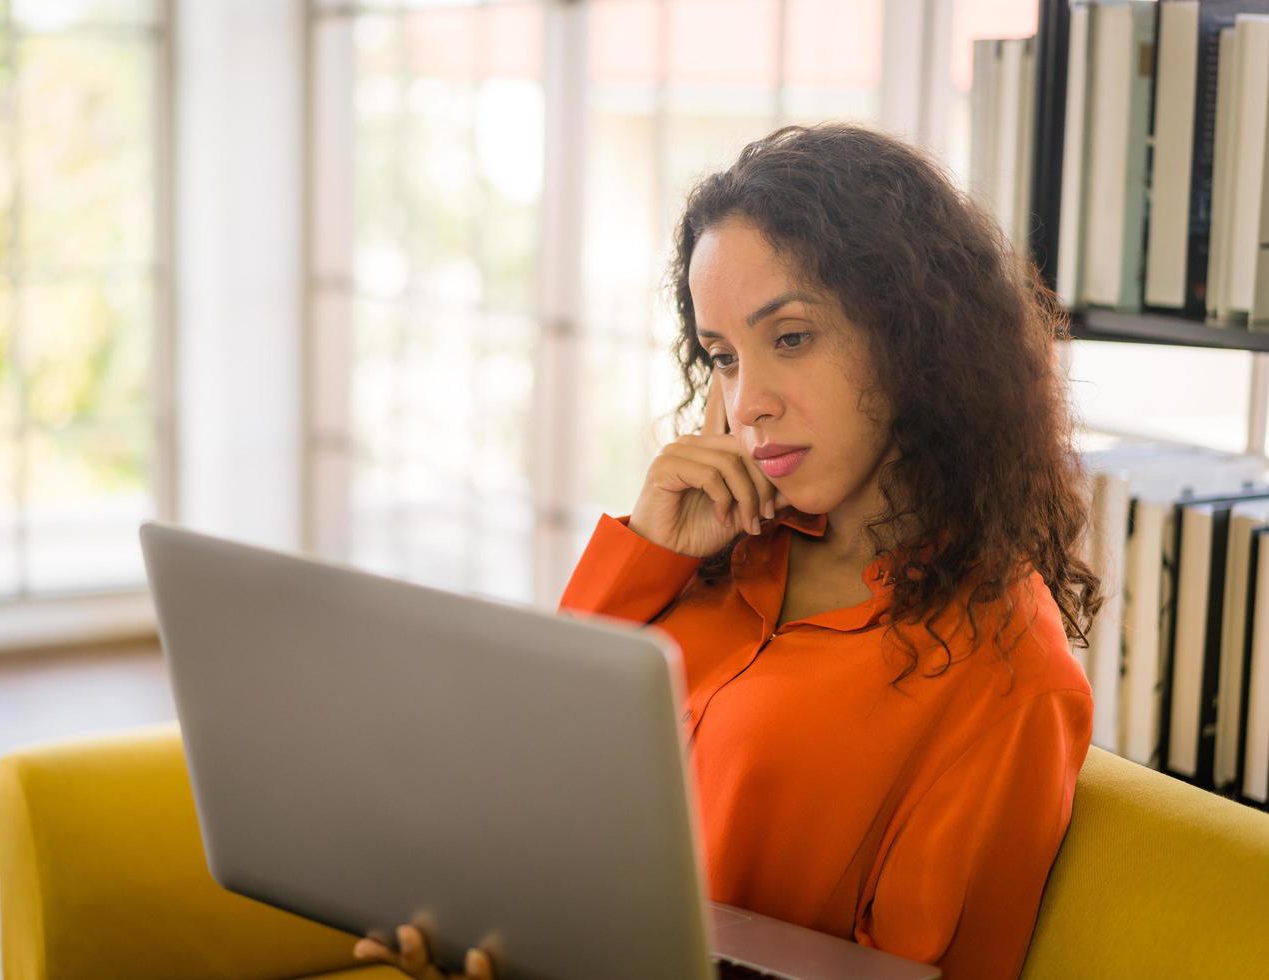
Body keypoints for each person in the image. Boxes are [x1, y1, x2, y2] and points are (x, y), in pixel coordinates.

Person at [353, 121, 1100, 980]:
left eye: (790, 339)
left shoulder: (1005, 678)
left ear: (916, 340)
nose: (748, 405)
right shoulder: (711, 553)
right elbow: (530, 771)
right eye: (724, 358)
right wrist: (648, 553)